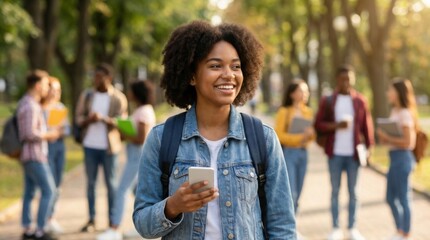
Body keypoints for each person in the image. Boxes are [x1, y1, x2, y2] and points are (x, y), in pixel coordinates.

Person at [133, 20, 296, 239]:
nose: (229, 74)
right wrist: (172, 207)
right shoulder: (162, 138)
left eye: (236, 66)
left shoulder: (263, 138)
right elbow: (143, 223)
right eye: (215, 65)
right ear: (192, 76)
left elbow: (282, 225)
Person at [314, 65, 374, 240]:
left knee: (354, 192)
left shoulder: (360, 101)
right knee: (335, 191)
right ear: (337, 80)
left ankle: (353, 227)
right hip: (335, 153)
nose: (346, 82)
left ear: (353, 79)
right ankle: (335, 228)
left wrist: (369, 148)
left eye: (349, 79)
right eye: (343, 79)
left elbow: (366, 126)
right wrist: (336, 126)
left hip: (354, 154)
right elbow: (318, 124)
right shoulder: (329, 100)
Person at [97, 80, 156, 240]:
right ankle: (143, 228)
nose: (128, 94)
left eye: (130, 91)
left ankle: (114, 229)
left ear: (137, 93)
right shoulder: (141, 110)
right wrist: (121, 129)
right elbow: (131, 136)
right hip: (135, 155)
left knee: (121, 190)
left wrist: (119, 128)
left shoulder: (144, 111)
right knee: (139, 193)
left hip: (138, 156)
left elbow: (140, 138)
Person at [75, 63, 128, 232]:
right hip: (90, 145)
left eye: (99, 77)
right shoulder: (88, 95)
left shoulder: (118, 97)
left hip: (110, 148)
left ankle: (112, 221)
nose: (96, 80)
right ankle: (91, 219)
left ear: (109, 78)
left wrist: (104, 119)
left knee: (111, 184)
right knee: (91, 184)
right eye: (94, 77)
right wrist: (88, 120)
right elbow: (78, 118)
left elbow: (123, 122)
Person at [18, 70, 63, 240]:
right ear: (37, 86)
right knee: (49, 190)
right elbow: (29, 133)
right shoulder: (30, 106)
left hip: (30, 156)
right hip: (35, 155)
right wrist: (49, 135)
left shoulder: (28, 103)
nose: (47, 89)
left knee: (29, 192)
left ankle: (28, 229)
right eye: (45, 85)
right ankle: (40, 230)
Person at [377, 79, 417, 240]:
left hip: (403, 159)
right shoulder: (395, 111)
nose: (388, 93)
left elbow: (409, 142)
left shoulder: (405, 114)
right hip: (394, 158)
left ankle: (405, 233)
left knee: (403, 197)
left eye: (390, 90)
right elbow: (396, 138)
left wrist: (387, 137)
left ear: (398, 92)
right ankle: (400, 230)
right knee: (390, 197)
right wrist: (386, 139)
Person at [274, 79, 315, 240]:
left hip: (304, 154)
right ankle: (288, 229)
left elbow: (312, 136)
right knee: (291, 192)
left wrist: (310, 136)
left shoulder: (308, 112)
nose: (305, 94)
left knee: (299, 191)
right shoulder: (284, 111)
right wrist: (299, 138)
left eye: (306, 91)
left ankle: (294, 226)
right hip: (289, 153)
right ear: (292, 94)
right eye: (301, 91)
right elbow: (279, 136)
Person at [41, 76, 70, 234]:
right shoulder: (42, 108)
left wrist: (58, 130)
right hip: (46, 148)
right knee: (49, 185)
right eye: (54, 89)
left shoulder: (60, 108)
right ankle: (44, 219)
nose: (56, 93)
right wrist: (52, 131)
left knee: (57, 184)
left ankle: (51, 217)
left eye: (59, 90)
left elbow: (67, 130)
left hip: (59, 147)